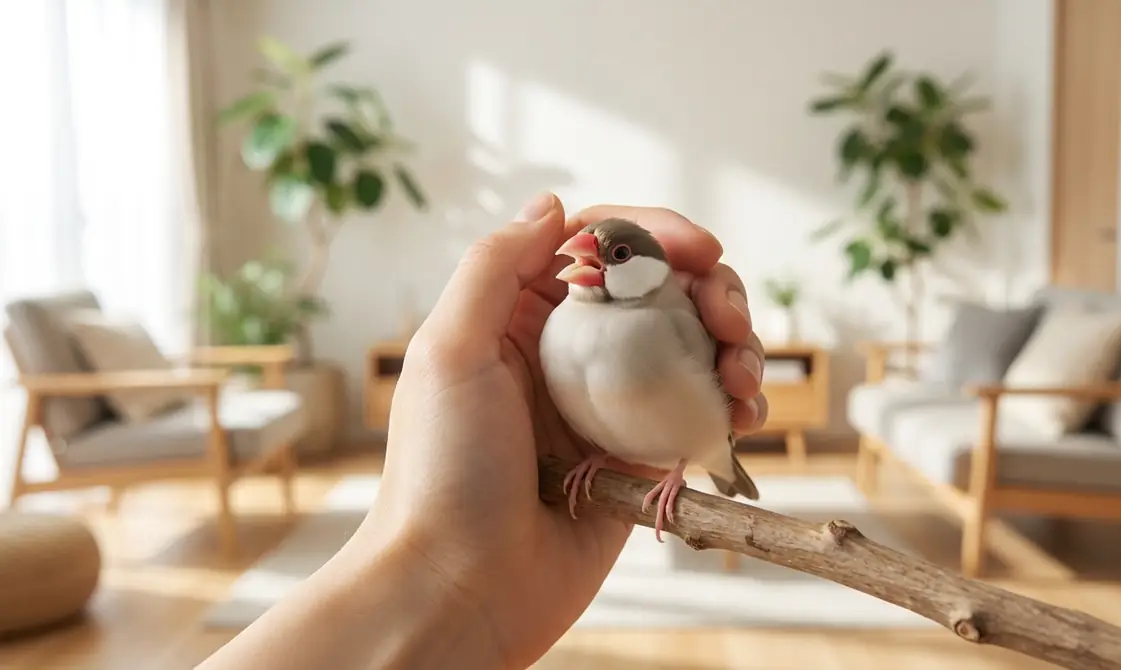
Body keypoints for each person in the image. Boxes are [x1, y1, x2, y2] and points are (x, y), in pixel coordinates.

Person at [197, 193, 767, 670]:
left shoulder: (668, 321)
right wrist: (588, 462)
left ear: (649, 270)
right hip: (594, 459)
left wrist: (682, 466)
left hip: (687, 445)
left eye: (614, 255)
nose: (584, 260)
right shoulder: (556, 324)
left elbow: (711, 401)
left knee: (703, 451)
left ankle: (703, 471)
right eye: (587, 253)